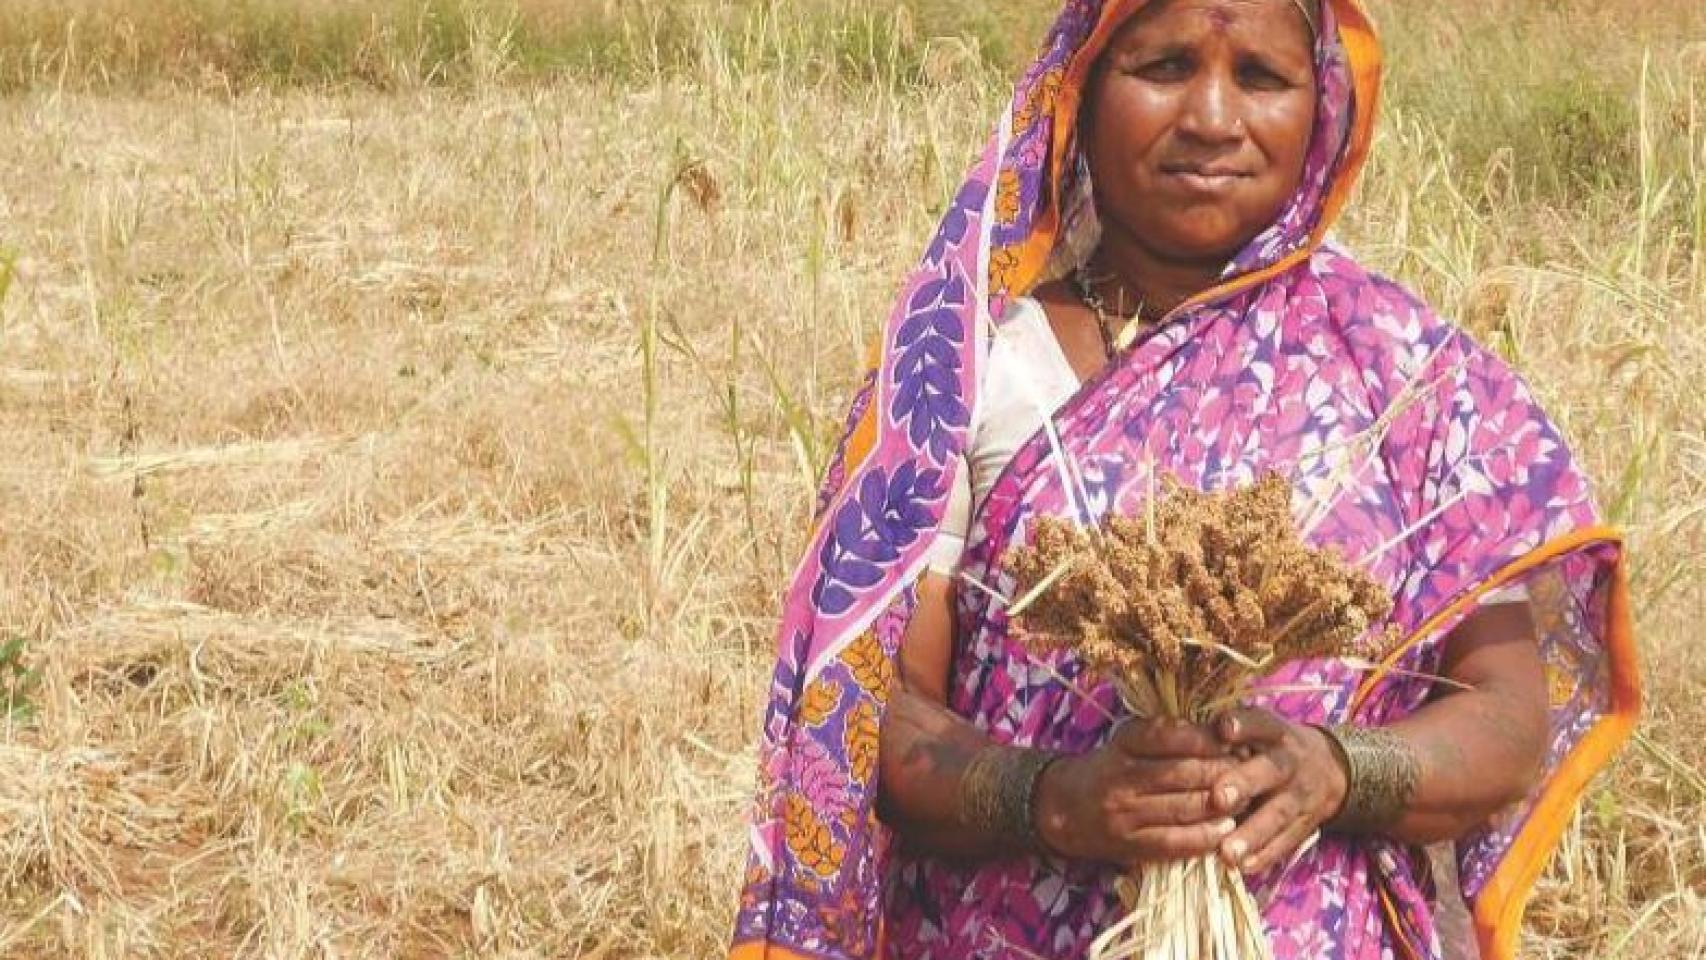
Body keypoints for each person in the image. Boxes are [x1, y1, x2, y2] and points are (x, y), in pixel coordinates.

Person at [729, 1, 1639, 958]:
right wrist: (1056, 799)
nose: (1210, 117)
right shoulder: (963, 370)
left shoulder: (1410, 379)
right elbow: (870, 710)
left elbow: (1505, 712)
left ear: (1323, 102)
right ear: (1078, 92)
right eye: (1163, 66)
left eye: (1260, 77)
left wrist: (1337, 770)